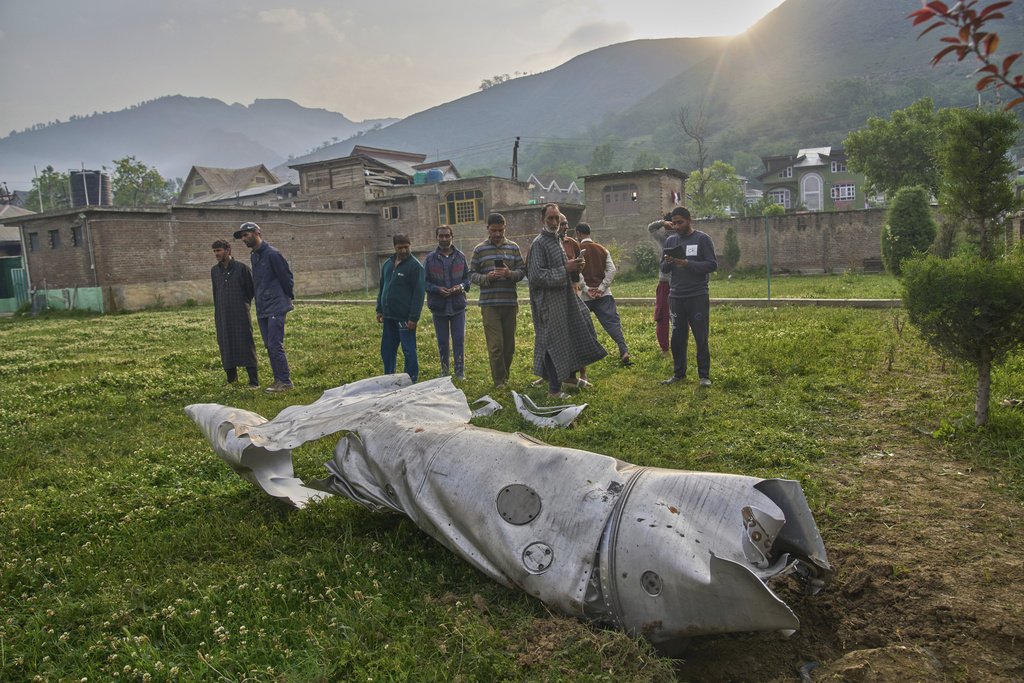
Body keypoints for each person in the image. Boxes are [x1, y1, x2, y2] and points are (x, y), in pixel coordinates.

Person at [527, 203, 607, 398]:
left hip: (565, 298)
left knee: (575, 330)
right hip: (548, 302)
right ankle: (554, 390)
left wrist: (575, 267)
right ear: (542, 220)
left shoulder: (557, 240)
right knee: (552, 342)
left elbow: (564, 268)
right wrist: (566, 269)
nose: (554, 222)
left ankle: (570, 379)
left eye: (557, 219)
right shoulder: (539, 243)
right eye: (550, 219)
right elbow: (536, 276)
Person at [660, 207, 717, 387]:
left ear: (689, 220)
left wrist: (688, 264)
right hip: (676, 296)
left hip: (697, 295)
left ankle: (704, 376)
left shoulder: (702, 239)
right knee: (677, 336)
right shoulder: (670, 240)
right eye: (674, 223)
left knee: (701, 335)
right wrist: (669, 262)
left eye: (680, 222)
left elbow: (712, 264)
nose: (676, 226)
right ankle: (678, 373)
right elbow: (663, 268)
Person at [235, 222, 294, 393]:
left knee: (275, 344)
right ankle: (278, 380)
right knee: (269, 345)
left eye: (246, 235)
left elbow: (286, 277)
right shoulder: (254, 256)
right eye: (242, 237)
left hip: (276, 305)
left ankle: (285, 381)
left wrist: (286, 298)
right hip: (262, 307)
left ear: (257, 233)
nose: (244, 239)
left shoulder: (273, 254)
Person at [469, 213, 526, 388]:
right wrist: (487, 277)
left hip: (509, 303)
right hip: (490, 304)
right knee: (496, 346)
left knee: (509, 347)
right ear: (487, 229)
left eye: (500, 230)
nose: (497, 234)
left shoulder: (514, 247)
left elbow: (522, 271)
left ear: (505, 228)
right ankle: (499, 382)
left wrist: (509, 274)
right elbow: (471, 275)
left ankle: (505, 377)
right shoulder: (479, 250)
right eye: (494, 230)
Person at [574, 223, 631, 367]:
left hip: (584, 296)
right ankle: (623, 349)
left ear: (579, 234)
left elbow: (577, 272)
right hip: (603, 295)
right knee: (612, 323)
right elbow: (611, 271)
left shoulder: (578, 251)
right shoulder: (602, 249)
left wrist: (587, 289)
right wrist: (601, 288)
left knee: (583, 326)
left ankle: (586, 357)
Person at [376, 233, 425, 382]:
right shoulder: (388, 264)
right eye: (400, 248)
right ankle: (389, 378)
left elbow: (419, 294)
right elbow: (382, 287)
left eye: (406, 247)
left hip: (405, 318)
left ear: (410, 245)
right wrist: (379, 308)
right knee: (387, 350)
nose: (403, 251)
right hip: (388, 316)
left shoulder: (415, 266)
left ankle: (411, 379)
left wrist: (413, 317)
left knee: (409, 350)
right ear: (394, 247)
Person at [210, 239, 259, 387]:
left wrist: (241, 304)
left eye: (219, 250)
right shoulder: (214, 271)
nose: (216, 254)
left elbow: (251, 291)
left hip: (240, 314)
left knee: (246, 344)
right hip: (222, 315)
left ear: (228, 250)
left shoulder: (242, 268)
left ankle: (253, 381)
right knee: (226, 344)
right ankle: (231, 380)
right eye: (214, 251)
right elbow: (215, 293)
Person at [424, 225, 470, 379]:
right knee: (442, 341)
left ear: (452, 236)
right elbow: (424, 283)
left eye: (447, 236)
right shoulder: (430, 259)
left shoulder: (461, 257)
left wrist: (461, 287)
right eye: (441, 236)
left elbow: (467, 280)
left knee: (459, 340)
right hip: (439, 307)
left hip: (457, 306)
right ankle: (444, 371)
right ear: (437, 237)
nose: (444, 239)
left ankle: (459, 372)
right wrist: (437, 289)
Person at [648, 213, 676, 356]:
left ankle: (678, 344)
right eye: (672, 223)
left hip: (680, 282)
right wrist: (662, 222)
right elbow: (651, 228)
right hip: (665, 281)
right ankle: (664, 348)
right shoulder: (664, 238)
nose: (674, 227)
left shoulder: (686, 236)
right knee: (663, 316)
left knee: (680, 316)